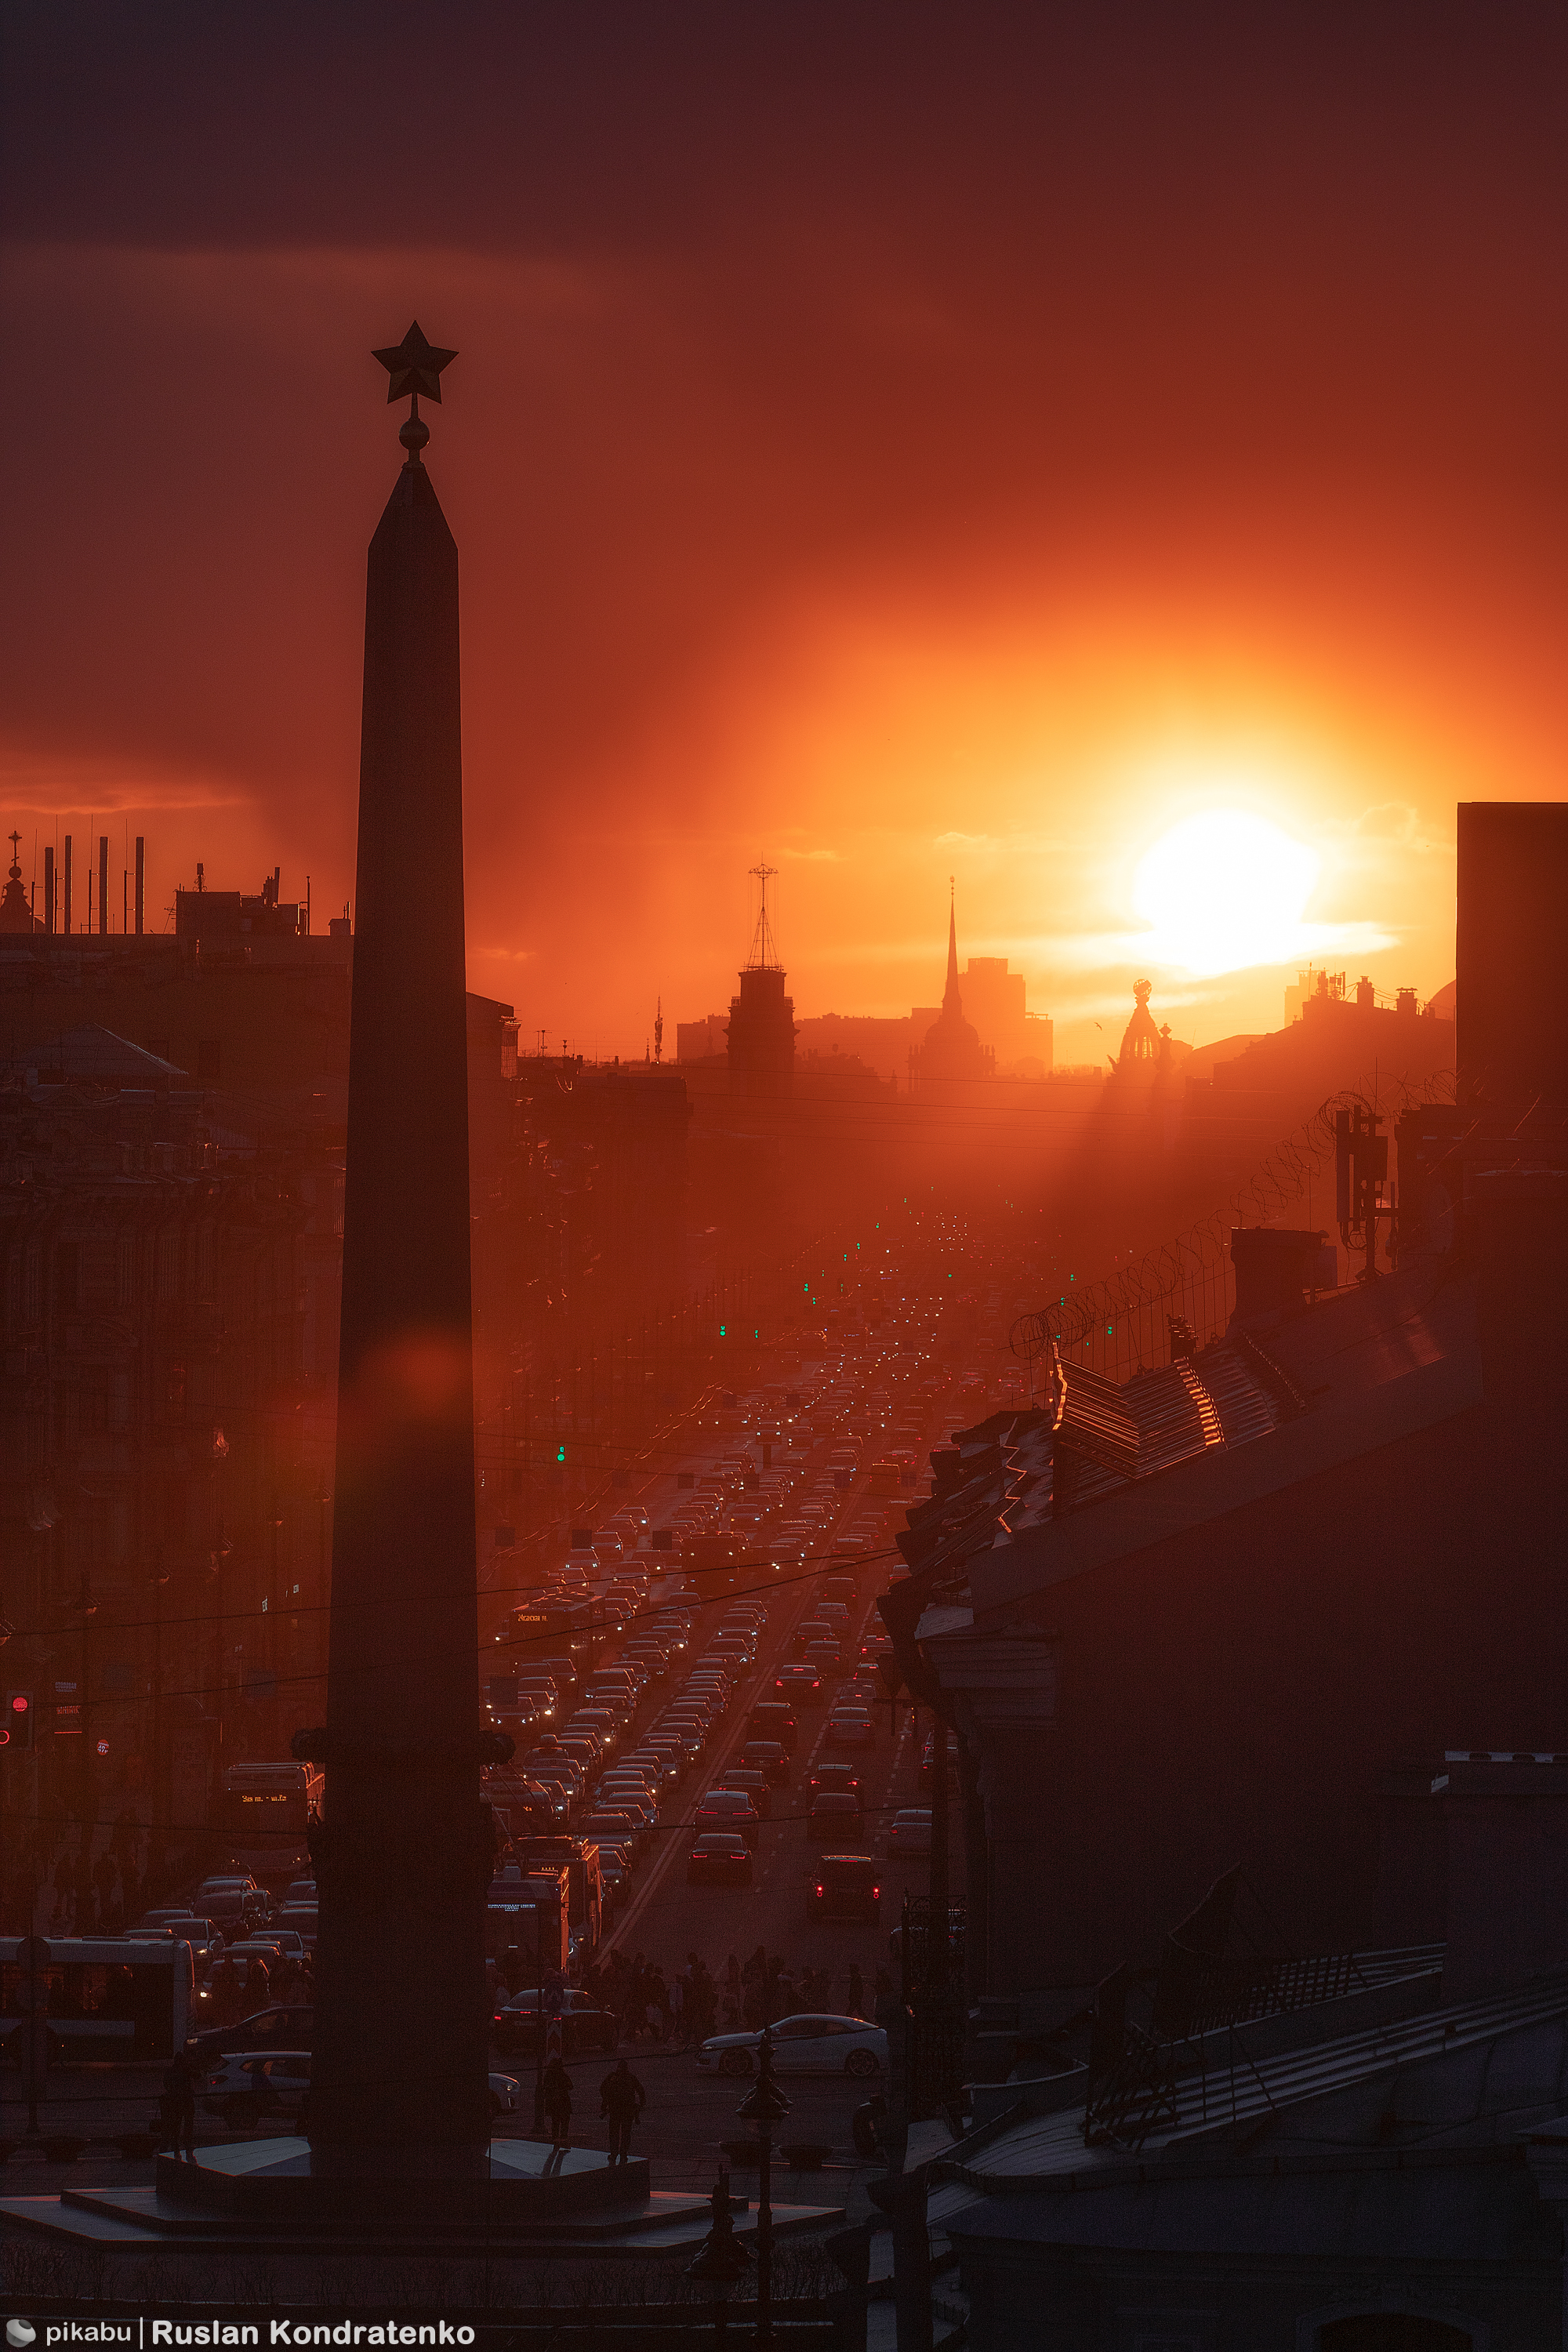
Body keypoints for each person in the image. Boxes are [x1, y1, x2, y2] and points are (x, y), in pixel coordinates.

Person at [599, 2056, 646, 2164]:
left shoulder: (612, 2077)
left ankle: (614, 2153)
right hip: (628, 2110)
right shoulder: (631, 2077)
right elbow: (641, 2091)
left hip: (615, 2109)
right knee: (626, 2133)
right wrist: (641, 2105)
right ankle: (623, 2154)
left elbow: (603, 2089)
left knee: (614, 2133)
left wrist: (606, 2102)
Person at [162, 2042, 199, 2160]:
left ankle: (175, 2146)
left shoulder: (170, 2071)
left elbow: (166, 2084)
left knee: (176, 2124)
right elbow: (197, 2075)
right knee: (188, 2124)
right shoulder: (186, 2069)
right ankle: (187, 2144)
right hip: (186, 2100)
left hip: (175, 2101)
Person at [542, 2053, 573, 2150]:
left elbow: (545, 2088)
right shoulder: (562, 2075)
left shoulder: (548, 2076)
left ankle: (555, 2140)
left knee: (555, 2121)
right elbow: (570, 2086)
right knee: (564, 2121)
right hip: (563, 2101)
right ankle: (563, 2139)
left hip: (553, 2101)